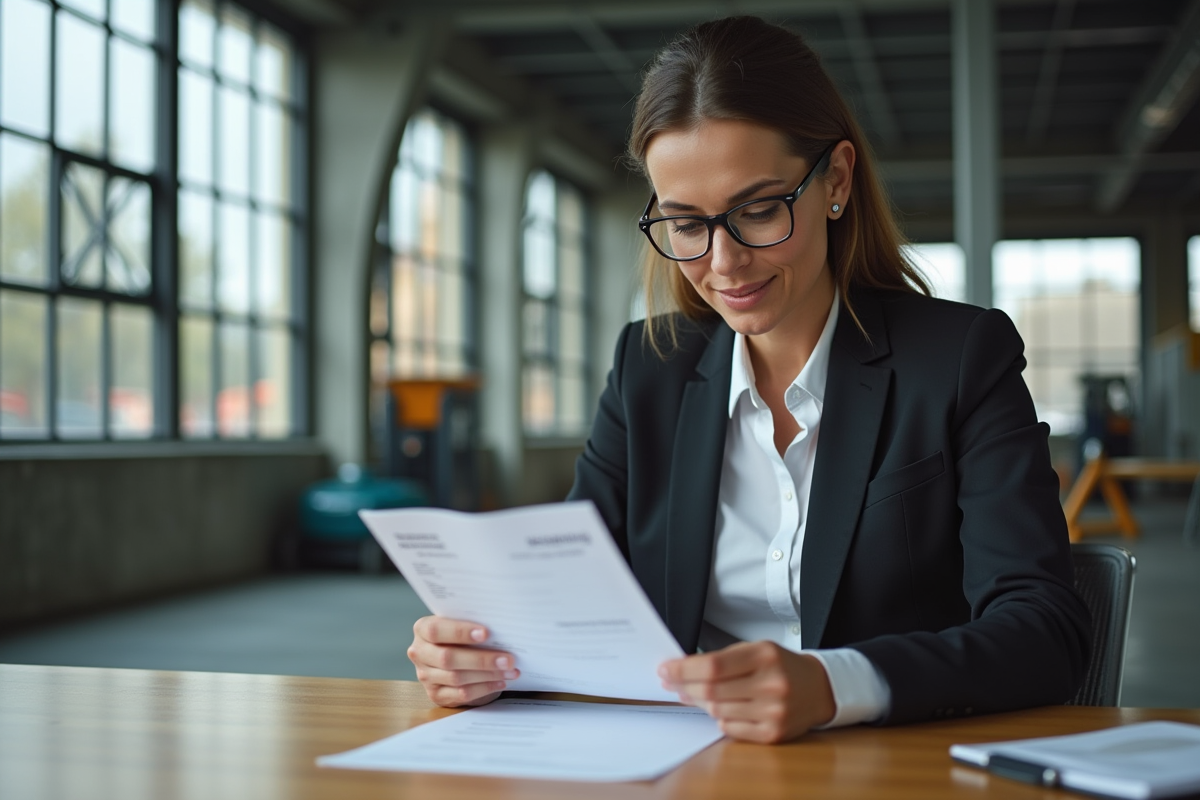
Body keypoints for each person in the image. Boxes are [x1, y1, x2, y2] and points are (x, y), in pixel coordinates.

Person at [407, 15, 1092, 744]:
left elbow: (1045, 630)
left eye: (759, 210)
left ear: (836, 180)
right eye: (686, 225)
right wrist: (484, 653)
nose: (723, 263)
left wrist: (835, 684)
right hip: (684, 762)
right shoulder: (649, 369)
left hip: (886, 764)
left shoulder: (959, 359)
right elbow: (568, 599)